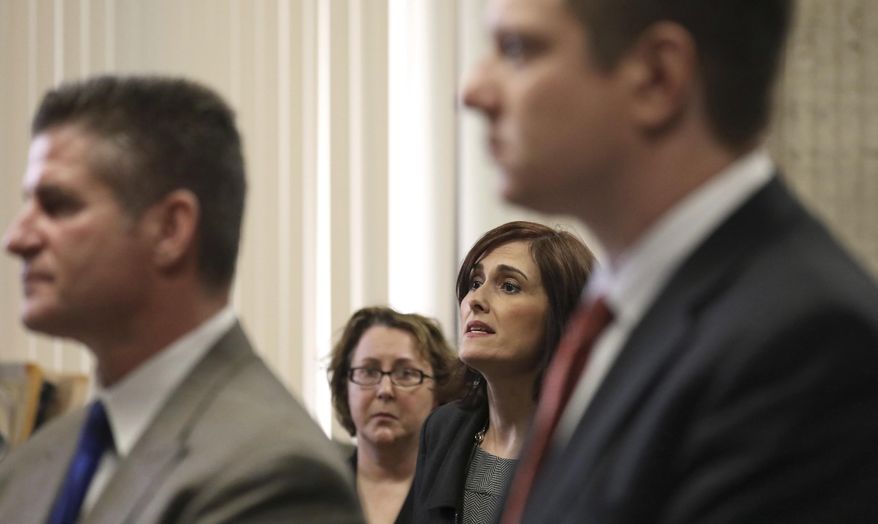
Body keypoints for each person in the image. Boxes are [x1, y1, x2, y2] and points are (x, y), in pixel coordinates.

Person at [462, 0, 878, 522]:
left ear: (657, 78)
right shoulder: (622, 301)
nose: (473, 91)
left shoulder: (805, 344)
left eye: (518, 50)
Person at [0, 76, 363, 523]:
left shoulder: (274, 474)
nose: (16, 238)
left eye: (58, 205)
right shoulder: (31, 464)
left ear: (170, 230)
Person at [408, 221, 595, 523]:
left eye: (509, 286)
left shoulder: (589, 443)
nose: (475, 300)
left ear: (563, 314)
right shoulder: (442, 430)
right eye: (475, 282)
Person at [328, 306, 461, 524]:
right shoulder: (315, 492)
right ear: (345, 387)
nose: (385, 390)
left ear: (440, 390)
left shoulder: (461, 496)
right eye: (369, 371)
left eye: (406, 373)